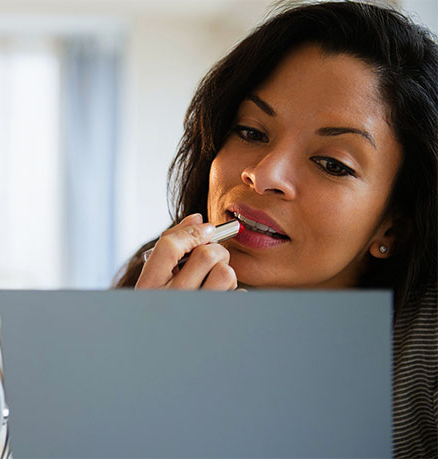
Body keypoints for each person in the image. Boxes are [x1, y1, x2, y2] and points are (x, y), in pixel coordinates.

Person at [115, 2, 437, 457]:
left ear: (395, 226)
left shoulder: (423, 344)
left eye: (331, 163)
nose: (264, 175)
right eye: (250, 132)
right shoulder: (151, 295)